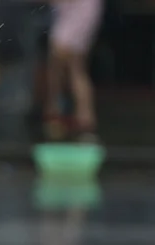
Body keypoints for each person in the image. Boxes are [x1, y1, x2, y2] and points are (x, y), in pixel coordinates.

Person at [44, 0, 103, 142]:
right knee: (67, 65)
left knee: (69, 62)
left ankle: (80, 120)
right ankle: (71, 118)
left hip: (80, 9)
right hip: (71, 11)